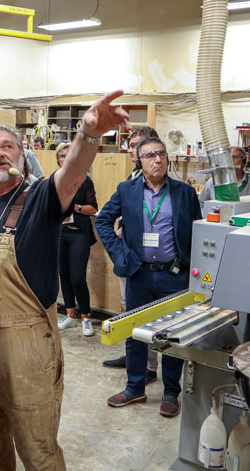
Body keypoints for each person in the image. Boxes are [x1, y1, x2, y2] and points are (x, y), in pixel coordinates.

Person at [0, 92, 131, 470]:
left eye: (7, 146)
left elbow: (70, 179)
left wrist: (88, 136)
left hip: (24, 352)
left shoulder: (37, 200)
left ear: (21, 157)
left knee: (38, 452)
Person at [95, 137, 201, 418]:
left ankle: (170, 392)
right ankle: (135, 387)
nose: (158, 160)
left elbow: (198, 231)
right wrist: (120, 253)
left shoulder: (184, 193)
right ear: (139, 162)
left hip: (173, 276)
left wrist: (190, 263)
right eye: (151, 155)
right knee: (135, 333)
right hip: (139, 274)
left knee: (173, 337)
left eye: (162, 154)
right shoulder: (127, 190)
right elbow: (102, 220)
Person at [102, 125, 161, 375]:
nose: (131, 150)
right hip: (129, 255)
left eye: (136, 145)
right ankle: (132, 357)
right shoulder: (132, 178)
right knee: (130, 310)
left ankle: (148, 366)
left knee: (147, 314)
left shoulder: (162, 181)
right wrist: (120, 235)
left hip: (150, 260)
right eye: (130, 145)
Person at [54, 142, 99, 337]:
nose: (64, 158)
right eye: (61, 156)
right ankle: (70, 314)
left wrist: (75, 208)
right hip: (59, 233)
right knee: (63, 275)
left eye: (68, 155)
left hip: (78, 232)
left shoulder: (85, 181)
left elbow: (93, 209)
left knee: (78, 277)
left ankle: (86, 316)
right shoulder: (54, 179)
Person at [198, 145, 250, 215]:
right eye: (227, 158)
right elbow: (200, 203)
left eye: (233, 157)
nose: (229, 161)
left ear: (244, 161)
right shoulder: (212, 182)